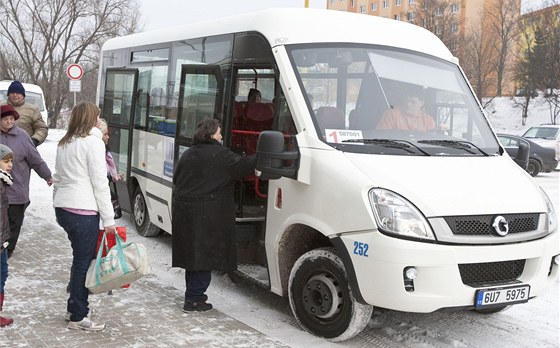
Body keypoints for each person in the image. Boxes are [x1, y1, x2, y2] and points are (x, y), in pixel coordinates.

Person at [172, 118, 256, 312]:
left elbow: (177, 178)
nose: (221, 136)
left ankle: (193, 296)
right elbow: (243, 165)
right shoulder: (220, 155)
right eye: (219, 133)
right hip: (205, 215)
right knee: (204, 258)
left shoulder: (189, 153)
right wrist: (263, 156)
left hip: (185, 213)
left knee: (193, 258)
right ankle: (194, 299)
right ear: (211, 134)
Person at [53, 101, 116, 332]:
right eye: (98, 116)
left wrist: (56, 204)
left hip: (65, 209)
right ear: (91, 119)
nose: (100, 121)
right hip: (83, 211)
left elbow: (58, 178)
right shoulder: (93, 143)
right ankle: (78, 315)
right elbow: (100, 183)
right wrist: (108, 220)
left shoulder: (65, 142)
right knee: (83, 263)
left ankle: (73, 308)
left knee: (79, 260)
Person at [0, 104, 52, 258]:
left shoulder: (22, 136)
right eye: (5, 119)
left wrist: (47, 175)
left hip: (17, 194)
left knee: (12, 231)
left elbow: (35, 159)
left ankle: (6, 258)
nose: (9, 122)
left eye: (12, 119)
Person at [6, 81, 49, 146]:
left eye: (18, 92)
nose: (15, 95)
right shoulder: (2, 107)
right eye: (12, 92)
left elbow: (42, 128)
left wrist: (34, 140)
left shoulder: (33, 110)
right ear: (8, 94)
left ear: (23, 95)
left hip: (25, 149)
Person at [0, 144, 14, 327]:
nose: (10, 165)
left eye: (11, 161)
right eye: (5, 161)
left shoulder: (4, 181)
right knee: (1, 274)